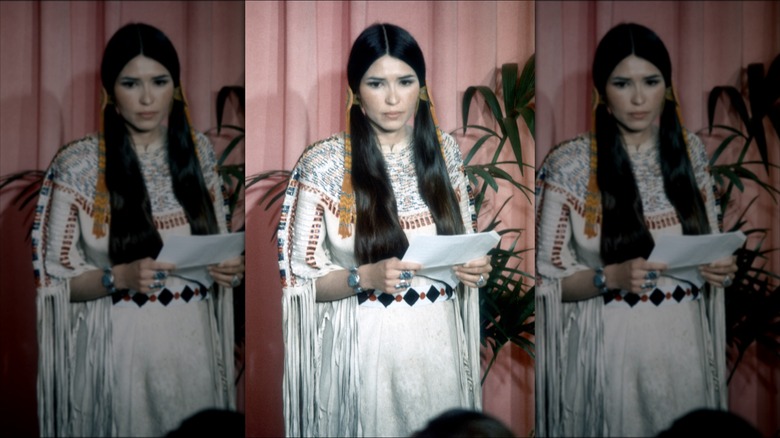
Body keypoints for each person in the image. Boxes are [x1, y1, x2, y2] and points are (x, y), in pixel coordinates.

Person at [277, 23, 491, 437]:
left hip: (438, 344)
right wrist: (365, 277)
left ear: (422, 87)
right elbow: (299, 283)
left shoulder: (444, 152)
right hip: (366, 347)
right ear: (356, 91)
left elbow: (466, 245)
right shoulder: (323, 163)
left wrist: (474, 269)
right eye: (377, 83)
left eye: (405, 81)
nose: (393, 98)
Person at [32, 23, 244, 437]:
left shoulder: (197, 152)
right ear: (110, 91)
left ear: (176, 87)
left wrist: (230, 270)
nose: (147, 98)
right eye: (131, 83)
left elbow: (218, 245)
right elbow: (52, 281)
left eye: (159, 82)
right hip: (121, 347)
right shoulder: (78, 164)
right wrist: (118, 277)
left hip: (193, 344)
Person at [535, 23, 738, 437]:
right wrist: (607, 276)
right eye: (622, 83)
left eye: (651, 81)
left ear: (668, 85)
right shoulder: (569, 163)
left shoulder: (689, 151)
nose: (640, 98)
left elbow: (712, 248)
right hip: (611, 349)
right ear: (600, 91)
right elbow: (546, 281)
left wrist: (720, 268)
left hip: (685, 346)